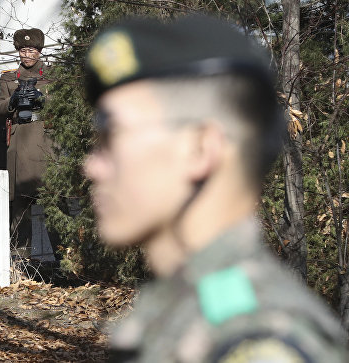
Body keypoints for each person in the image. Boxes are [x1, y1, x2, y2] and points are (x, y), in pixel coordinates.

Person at [83, 15, 349, 362]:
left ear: (199, 150)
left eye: (111, 134)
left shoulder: (254, 342)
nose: (92, 165)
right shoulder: (194, 312)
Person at [0, 28, 53, 259]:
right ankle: (21, 261)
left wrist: (43, 98)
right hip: (18, 143)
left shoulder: (52, 74)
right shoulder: (8, 77)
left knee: (54, 203)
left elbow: (64, 103)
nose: (27, 54)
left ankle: (66, 259)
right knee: (20, 206)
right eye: (23, 50)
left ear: (39, 51)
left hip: (46, 142)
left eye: (32, 50)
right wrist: (13, 100)